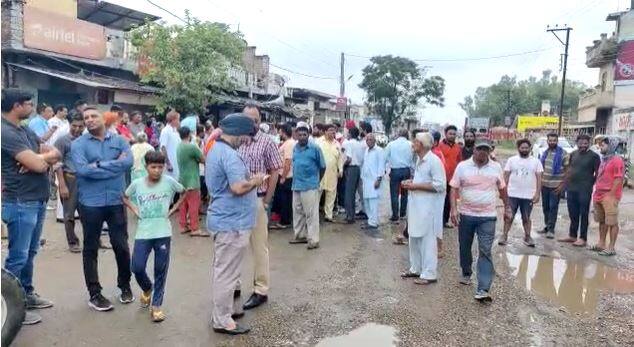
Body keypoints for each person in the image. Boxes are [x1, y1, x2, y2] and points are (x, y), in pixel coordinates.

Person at [2, 89, 60, 325]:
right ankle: (11, 307)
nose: (31, 107)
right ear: (17, 106)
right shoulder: (5, 132)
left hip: (35, 199)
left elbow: (52, 152)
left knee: (31, 252)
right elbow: (38, 164)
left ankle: (25, 294)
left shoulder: (23, 129)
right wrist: (39, 161)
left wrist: (41, 159)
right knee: (18, 256)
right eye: (28, 103)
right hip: (19, 201)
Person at [206, 113, 266, 335]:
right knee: (226, 273)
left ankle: (225, 311)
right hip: (232, 223)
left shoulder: (217, 150)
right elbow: (238, 188)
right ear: (239, 133)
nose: (247, 140)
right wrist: (256, 181)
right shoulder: (229, 155)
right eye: (247, 135)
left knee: (225, 270)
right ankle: (222, 320)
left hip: (226, 220)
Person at [71, 106, 134, 311]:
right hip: (90, 203)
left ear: (103, 118)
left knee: (121, 246)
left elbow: (128, 163)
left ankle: (125, 285)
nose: (89, 120)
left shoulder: (119, 141)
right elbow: (81, 170)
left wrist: (96, 166)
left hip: (116, 201)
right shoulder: (78, 144)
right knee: (90, 248)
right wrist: (111, 166)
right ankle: (95, 293)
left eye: (93, 116)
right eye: (85, 117)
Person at [123, 150, 185, 322]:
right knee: (136, 267)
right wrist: (135, 209)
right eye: (153, 167)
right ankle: (147, 288)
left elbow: (184, 191)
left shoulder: (169, 181)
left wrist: (174, 209)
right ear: (146, 167)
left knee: (160, 269)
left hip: (163, 232)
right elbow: (125, 197)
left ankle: (156, 305)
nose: (157, 170)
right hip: (143, 232)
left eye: (160, 167)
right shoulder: (137, 184)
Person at [450, 140, 509, 302]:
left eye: (486, 149)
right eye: (480, 149)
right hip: (466, 214)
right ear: (474, 150)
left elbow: (502, 189)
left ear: (489, 151)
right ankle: (466, 271)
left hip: (487, 216)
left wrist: (507, 207)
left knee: (485, 250)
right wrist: (454, 209)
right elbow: (454, 188)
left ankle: (483, 288)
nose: (482, 152)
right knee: (465, 246)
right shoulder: (462, 166)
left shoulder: (496, 167)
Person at [237, 105, 282, 311]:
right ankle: (234, 285)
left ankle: (260, 290)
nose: (251, 124)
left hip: (257, 199)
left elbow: (274, 171)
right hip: (236, 200)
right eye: (248, 120)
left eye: (255, 120)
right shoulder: (236, 139)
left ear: (260, 120)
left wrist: (266, 200)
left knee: (259, 248)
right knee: (235, 245)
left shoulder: (267, 142)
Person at [400, 132, 445, 285]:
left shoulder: (434, 161)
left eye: (416, 141)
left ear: (424, 144)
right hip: (416, 206)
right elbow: (423, 181)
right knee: (414, 237)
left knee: (427, 240)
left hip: (428, 208)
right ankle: (416, 269)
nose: (413, 143)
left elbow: (440, 185)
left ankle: (429, 274)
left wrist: (415, 185)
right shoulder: (419, 160)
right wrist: (412, 182)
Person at [499, 139, 543, 247]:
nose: (524, 149)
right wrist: (503, 192)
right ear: (518, 148)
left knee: (526, 217)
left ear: (530, 148)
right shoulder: (511, 160)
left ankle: (528, 237)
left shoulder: (536, 162)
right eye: (522, 147)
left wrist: (537, 193)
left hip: (528, 196)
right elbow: (505, 176)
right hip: (512, 194)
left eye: (526, 148)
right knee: (508, 216)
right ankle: (504, 235)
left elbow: (539, 178)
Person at [558, 134, 600, 247]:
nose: (583, 145)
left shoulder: (594, 156)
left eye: (585, 143)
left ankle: (583, 238)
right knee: (573, 213)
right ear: (577, 143)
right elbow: (568, 168)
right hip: (571, 188)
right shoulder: (573, 154)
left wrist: (591, 182)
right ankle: (572, 235)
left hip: (585, 189)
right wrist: (564, 185)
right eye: (581, 143)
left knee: (584, 214)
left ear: (589, 144)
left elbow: (598, 173)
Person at [289, 126, 326, 249]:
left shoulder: (315, 148)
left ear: (308, 135)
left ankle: (314, 240)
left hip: (310, 185)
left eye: (305, 134)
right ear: (296, 136)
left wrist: (317, 180)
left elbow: (322, 166)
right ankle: (300, 236)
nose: (302, 137)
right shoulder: (295, 148)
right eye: (300, 135)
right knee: (297, 212)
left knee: (311, 214)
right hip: (296, 185)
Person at [54, 115, 86, 253]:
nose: (77, 128)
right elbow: (57, 164)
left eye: (80, 126)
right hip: (69, 179)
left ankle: (94, 240)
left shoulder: (86, 141)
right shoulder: (62, 141)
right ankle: (72, 242)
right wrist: (62, 184)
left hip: (85, 180)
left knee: (90, 213)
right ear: (70, 125)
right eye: (74, 125)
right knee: (69, 214)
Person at [590, 137, 625, 256]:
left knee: (612, 222)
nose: (601, 147)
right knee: (602, 221)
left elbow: (618, 178)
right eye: (601, 145)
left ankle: (611, 247)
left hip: (610, 196)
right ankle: (601, 243)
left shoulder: (617, 160)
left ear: (610, 146)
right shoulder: (604, 160)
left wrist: (611, 195)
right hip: (599, 194)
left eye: (603, 145)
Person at [176, 126, 206, 236]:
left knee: (183, 204)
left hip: (182, 179)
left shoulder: (179, 146)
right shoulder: (191, 147)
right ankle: (195, 228)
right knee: (194, 205)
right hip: (192, 180)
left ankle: (183, 226)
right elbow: (203, 159)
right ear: (189, 135)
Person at [539, 133, 568, 239]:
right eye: (550, 140)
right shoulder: (545, 153)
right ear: (547, 141)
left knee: (553, 208)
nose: (552, 142)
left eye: (554, 140)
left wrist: (562, 186)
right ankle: (547, 226)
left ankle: (551, 230)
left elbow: (567, 171)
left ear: (557, 141)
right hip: (544, 185)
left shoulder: (563, 154)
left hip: (556, 186)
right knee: (545, 207)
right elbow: (541, 169)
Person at [316, 124, 344, 222]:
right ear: (325, 132)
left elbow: (340, 158)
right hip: (320, 173)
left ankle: (329, 215)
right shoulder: (318, 142)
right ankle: (314, 215)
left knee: (331, 194)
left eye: (334, 131)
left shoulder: (337, 144)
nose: (333, 132)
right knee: (317, 194)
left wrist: (340, 170)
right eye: (330, 130)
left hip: (332, 173)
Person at [384, 129, 413, 222]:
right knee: (405, 193)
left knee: (394, 193)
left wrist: (387, 168)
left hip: (395, 170)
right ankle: (403, 213)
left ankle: (395, 215)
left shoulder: (391, 144)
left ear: (398, 134)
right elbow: (414, 159)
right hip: (406, 170)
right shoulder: (410, 144)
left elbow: (385, 157)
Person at [271, 123, 296, 229]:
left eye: (280, 131)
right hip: (284, 175)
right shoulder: (287, 143)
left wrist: (283, 177)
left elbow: (288, 161)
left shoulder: (290, 143)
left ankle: (285, 221)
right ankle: (284, 219)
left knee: (285, 199)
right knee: (284, 199)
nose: (279, 133)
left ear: (284, 132)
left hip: (287, 176)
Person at [360, 133, 386, 230]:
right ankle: (370, 221)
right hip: (366, 180)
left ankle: (373, 223)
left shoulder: (379, 151)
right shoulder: (366, 150)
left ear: (375, 141)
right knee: (367, 201)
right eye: (367, 140)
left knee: (373, 202)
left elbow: (381, 166)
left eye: (371, 139)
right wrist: (362, 177)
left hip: (374, 180)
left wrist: (378, 179)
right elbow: (365, 165)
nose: (369, 141)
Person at [438, 125, 461, 228]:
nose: (452, 136)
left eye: (454, 134)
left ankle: (445, 220)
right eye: (450, 133)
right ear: (445, 134)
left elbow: (460, 162)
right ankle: (438, 220)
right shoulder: (439, 146)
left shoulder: (458, 148)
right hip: (441, 177)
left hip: (453, 179)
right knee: (440, 200)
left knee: (449, 200)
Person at [341, 127, 365, 224]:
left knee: (349, 193)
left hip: (351, 168)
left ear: (350, 134)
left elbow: (349, 159)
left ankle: (350, 216)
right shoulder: (360, 144)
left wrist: (342, 166)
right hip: (358, 168)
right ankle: (352, 215)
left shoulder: (349, 143)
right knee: (354, 192)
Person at [160, 110, 182, 180]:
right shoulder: (165, 131)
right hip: (170, 164)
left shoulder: (175, 131)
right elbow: (163, 148)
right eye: (178, 119)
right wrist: (168, 163)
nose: (179, 121)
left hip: (177, 163)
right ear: (173, 120)